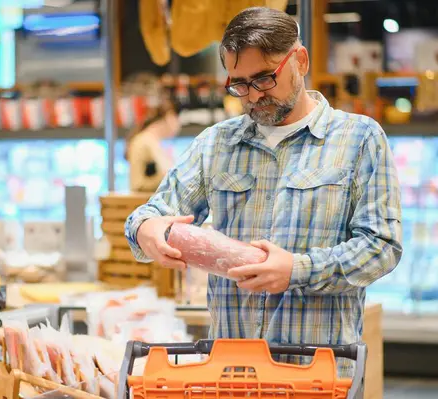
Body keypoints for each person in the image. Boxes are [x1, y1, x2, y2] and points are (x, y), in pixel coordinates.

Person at [124, 6, 402, 377]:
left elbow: (381, 247)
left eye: (264, 79)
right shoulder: (216, 144)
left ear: (299, 61)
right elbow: (149, 215)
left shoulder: (360, 139)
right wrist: (147, 231)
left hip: (316, 375)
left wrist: (298, 270)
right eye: (239, 84)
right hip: (231, 375)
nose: (252, 96)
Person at [125, 99, 181, 193]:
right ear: (169, 117)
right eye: (176, 118)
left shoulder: (151, 141)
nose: (179, 124)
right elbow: (137, 185)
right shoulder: (144, 141)